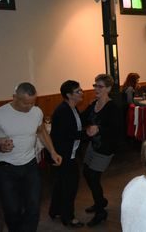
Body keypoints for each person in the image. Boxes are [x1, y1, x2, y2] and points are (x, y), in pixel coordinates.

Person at [0, 82, 62, 232]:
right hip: (6, 169)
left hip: (30, 165)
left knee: (33, 206)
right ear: (14, 97)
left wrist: (53, 152)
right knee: (12, 209)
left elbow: (41, 132)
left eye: (33, 102)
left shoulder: (36, 112)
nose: (29, 107)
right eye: (25, 103)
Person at [82, 74, 120, 226]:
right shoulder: (93, 104)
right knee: (86, 172)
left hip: (105, 147)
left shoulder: (112, 107)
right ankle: (101, 201)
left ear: (108, 88)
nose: (96, 89)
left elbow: (116, 129)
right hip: (93, 145)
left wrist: (99, 128)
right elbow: (83, 118)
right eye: (95, 85)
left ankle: (100, 211)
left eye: (100, 86)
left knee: (93, 177)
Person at [49, 80, 85, 227]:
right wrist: (88, 133)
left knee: (61, 185)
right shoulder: (63, 111)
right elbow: (69, 134)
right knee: (70, 187)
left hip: (67, 154)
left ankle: (55, 211)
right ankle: (68, 218)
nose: (81, 92)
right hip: (63, 155)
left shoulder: (72, 108)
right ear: (69, 95)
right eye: (78, 91)